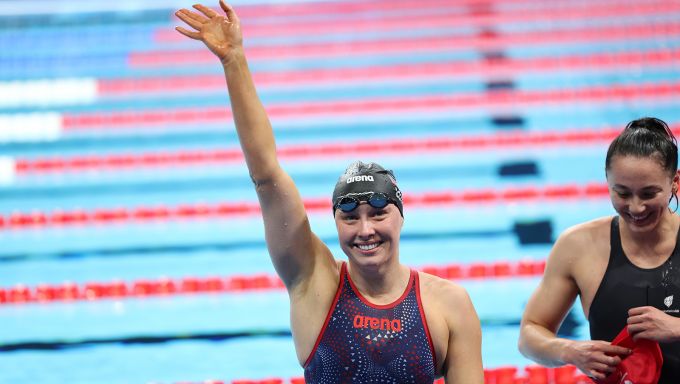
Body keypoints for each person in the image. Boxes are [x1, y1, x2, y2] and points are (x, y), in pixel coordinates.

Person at [175, 2, 483, 383]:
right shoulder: (314, 282)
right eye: (350, 217)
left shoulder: (448, 304)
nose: (365, 229)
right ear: (335, 223)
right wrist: (233, 60)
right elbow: (266, 177)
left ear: (401, 216)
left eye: (378, 213)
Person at [518, 117, 680, 382]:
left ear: (674, 183)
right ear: (608, 183)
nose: (636, 208)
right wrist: (570, 350)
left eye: (649, 194)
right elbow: (530, 333)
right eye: (623, 194)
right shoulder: (579, 247)